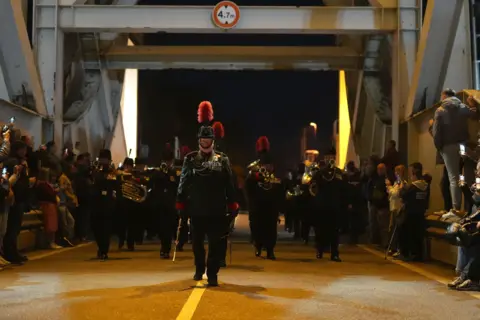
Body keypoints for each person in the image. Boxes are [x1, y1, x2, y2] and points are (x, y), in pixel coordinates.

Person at [176, 101, 238, 287]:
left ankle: (212, 273)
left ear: (213, 140)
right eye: (202, 139)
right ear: (198, 140)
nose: (205, 141)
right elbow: (184, 181)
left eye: (208, 139)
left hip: (217, 208)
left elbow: (229, 182)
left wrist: (233, 202)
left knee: (216, 244)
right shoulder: (190, 159)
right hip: (197, 208)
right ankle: (198, 268)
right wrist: (180, 201)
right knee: (196, 243)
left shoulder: (222, 159)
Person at [433, 88, 478, 210]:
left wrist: (440, 148)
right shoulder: (463, 107)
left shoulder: (440, 110)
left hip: (448, 147)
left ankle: (456, 208)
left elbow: (436, 132)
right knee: (467, 177)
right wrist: (472, 105)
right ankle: (471, 207)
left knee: (454, 178)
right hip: (463, 145)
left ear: (445, 96)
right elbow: (474, 114)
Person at [245, 136, 281, 260]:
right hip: (259, 202)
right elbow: (248, 186)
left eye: (268, 166)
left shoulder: (272, 169)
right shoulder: (254, 168)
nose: (266, 167)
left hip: (268, 202)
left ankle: (267, 249)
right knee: (261, 226)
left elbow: (278, 185)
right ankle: (261, 247)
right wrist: (255, 177)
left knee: (267, 226)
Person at [3, 141, 36, 264]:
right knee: (12, 228)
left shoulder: (21, 162)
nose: (24, 152)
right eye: (22, 149)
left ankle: (14, 251)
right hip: (15, 199)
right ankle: (10, 253)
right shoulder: (13, 162)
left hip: (21, 197)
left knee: (15, 228)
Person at [311, 160, 347, 262]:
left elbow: (343, 189)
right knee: (320, 231)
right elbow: (313, 187)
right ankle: (320, 250)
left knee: (334, 231)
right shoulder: (319, 173)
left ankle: (334, 253)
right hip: (322, 206)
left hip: (334, 206)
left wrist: (343, 203)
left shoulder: (338, 173)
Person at [150, 145, 178, 259]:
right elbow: (153, 183)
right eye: (165, 161)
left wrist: (169, 174)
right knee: (161, 228)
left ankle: (166, 249)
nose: (167, 163)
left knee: (169, 228)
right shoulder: (157, 172)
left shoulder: (175, 173)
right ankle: (164, 247)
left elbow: (176, 186)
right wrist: (162, 172)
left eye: (169, 161)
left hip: (171, 204)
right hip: (160, 204)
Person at [397, 162, 429, 261]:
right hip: (420, 212)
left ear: (414, 171)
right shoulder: (425, 186)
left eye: (411, 171)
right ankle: (418, 255)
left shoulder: (413, 186)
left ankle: (406, 254)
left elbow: (404, 195)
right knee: (418, 234)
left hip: (410, 212)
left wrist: (402, 189)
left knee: (406, 233)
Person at [91, 149, 118, 260]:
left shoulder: (112, 172)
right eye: (101, 159)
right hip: (96, 203)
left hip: (107, 204)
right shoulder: (95, 170)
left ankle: (104, 251)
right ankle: (101, 247)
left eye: (105, 159)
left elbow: (113, 184)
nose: (103, 161)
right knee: (96, 228)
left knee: (106, 229)